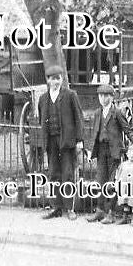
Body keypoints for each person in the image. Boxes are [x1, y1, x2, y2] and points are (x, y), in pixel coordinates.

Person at [37, 65, 85, 221]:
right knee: (53, 174)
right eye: (52, 78)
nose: (55, 81)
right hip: (51, 141)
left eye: (58, 78)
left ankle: (70, 208)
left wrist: (79, 141)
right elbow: (41, 121)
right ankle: (56, 207)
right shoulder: (43, 98)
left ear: (62, 79)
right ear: (48, 80)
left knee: (68, 174)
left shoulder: (70, 95)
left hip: (67, 141)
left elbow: (78, 118)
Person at [86, 84, 133, 224]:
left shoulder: (118, 112)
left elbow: (128, 130)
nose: (102, 98)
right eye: (100, 96)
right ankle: (99, 211)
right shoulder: (97, 113)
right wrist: (90, 150)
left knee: (112, 183)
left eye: (106, 96)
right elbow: (94, 133)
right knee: (100, 181)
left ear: (111, 97)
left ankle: (111, 213)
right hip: (101, 150)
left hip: (114, 152)